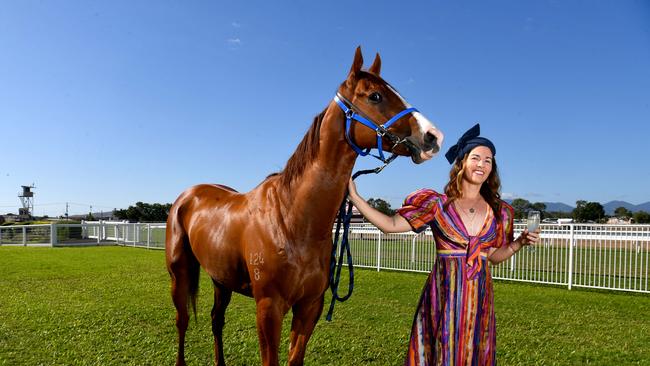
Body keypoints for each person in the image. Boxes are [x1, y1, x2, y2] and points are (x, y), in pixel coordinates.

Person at [347, 123, 540, 365]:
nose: (482, 164)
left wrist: (518, 243)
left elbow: (491, 256)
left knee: (474, 351)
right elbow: (390, 225)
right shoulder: (437, 204)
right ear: (462, 162)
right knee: (440, 349)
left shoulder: (500, 211)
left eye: (488, 160)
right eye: (476, 158)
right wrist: (356, 198)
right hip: (443, 295)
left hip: (479, 299)